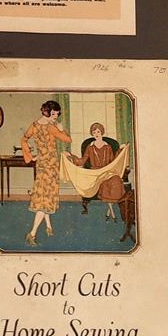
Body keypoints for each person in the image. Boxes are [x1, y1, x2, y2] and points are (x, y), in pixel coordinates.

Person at [20, 100, 73, 245]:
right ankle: (32, 234)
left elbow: (24, 140)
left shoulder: (34, 125)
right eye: (54, 114)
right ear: (47, 112)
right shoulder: (51, 127)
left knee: (45, 196)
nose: (56, 117)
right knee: (46, 199)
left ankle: (49, 227)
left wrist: (30, 156)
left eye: (57, 114)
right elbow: (68, 140)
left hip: (42, 164)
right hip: (50, 165)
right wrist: (61, 129)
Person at [76, 122, 125, 221]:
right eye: (94, 132)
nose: (96, 134)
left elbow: (113, 161)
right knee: (104, 183)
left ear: (102, 132)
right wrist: (70, 156)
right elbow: (82, 161)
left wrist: (120, 150)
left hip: (107, 171)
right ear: (92, 134)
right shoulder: (90, 147)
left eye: (98, 131)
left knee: (116, 180)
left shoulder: (108, 147)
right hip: (95, 172)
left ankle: (109, 212)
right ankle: (112, 213)